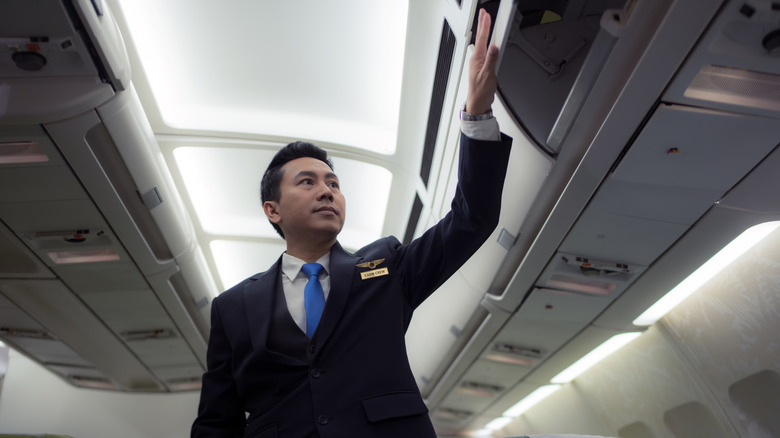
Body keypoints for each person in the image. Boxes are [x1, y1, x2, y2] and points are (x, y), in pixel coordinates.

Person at [192, 9, 512, 438]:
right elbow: (217, 421)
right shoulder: (231, 308)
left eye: (333, 183)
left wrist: (477, 114)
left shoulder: (386, 267)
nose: (327, 191)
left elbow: (473, 219)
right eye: (307, 182)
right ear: (273, 210)